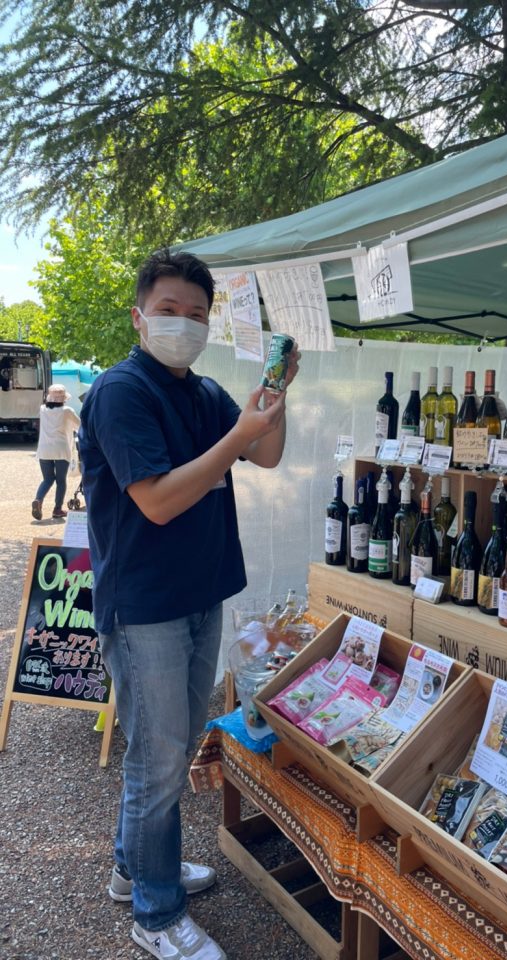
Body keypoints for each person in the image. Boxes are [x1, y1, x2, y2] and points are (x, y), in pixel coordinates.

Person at [79, 249, 300, 960]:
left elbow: (263, 458)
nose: (183, 325)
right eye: (169, 312)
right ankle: (157, 910)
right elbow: (159, 501)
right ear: (139, 316)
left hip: (201, 592)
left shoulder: (201, 393)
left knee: (163, 749)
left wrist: (273, 403)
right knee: (160, 758)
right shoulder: (121, 393)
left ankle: (132, 869)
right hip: (146, 606)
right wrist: (238, 435)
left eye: (197, 316)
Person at [32, 383, 80, 520]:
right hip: (61, 449)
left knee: (47, 479)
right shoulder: (67, 411)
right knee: (60, 480)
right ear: (63, 398)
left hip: (44, 450)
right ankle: (57, 509)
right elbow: (80, 426)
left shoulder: (43, 409)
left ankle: (38, 500)